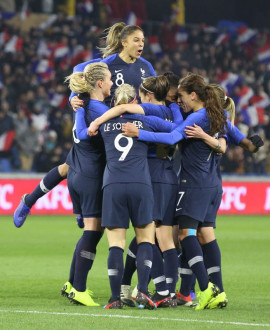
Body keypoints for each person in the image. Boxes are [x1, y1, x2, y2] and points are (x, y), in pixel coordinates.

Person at [13, 22, 156, 228]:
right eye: (137, 40)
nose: (141, 44)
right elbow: (81, 72)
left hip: (125, 126)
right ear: (124, 42)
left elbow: (155, 92)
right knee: (71, 167)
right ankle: (32, 202)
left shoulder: (146, 67)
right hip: (101, 123)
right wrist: (73, 97)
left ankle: (80, 209)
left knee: (88, 169)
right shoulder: (108, 63)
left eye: (143, 40)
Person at [104, 73, 227, 310]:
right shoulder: (174, 114)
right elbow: (179, 130)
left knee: (156, 238)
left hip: (152, 177)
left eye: (141, 97)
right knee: (161, 238)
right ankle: (154, 289)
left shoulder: (150, 115)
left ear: (148, 96)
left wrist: (96, 118)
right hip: (171, 176)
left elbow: (168, 135)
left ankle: (162, 292)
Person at [69, 66, 168, 309]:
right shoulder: (146, 121)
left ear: (115, 102)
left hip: (112, 184)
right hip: (141, 184)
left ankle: (115, 299)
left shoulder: (105, 121)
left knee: (116, 243)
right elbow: (175, 131)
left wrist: (79, 108)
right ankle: (143, 291)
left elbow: (82, 134)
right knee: (146, 238)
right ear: (135, 100)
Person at [61, 62, 113, 307]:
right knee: (93, 231)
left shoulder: (81, 102)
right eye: (110, 79)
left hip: (76, 170)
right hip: (91, 175)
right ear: (100, 83)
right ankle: (79, 288)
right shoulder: (99, 109)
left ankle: (71, 283)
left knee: (91, 230)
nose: (113, 83)